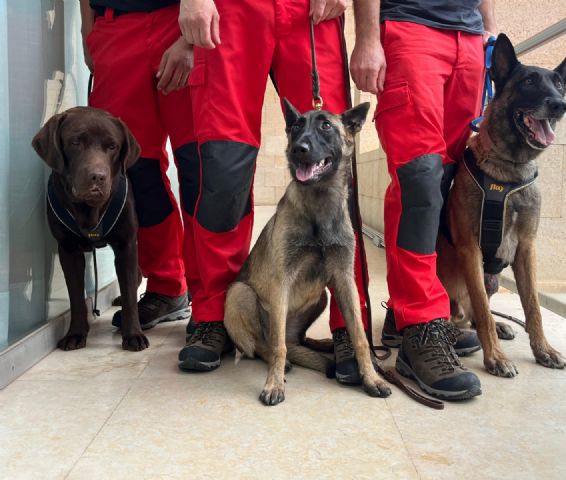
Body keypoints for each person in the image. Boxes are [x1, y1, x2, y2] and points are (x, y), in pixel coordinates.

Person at [176, 0, 371, 382]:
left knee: (333, 156)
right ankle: (215, 315)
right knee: (222, 165)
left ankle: (347, 329)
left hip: (311, 11)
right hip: (232, 10)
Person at [350, 0, 497, 400]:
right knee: (420, 180)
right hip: (410, 27)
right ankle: (421, 325)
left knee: (445, 180)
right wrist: (368, 37)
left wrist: (488, 29)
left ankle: (403, 313)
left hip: (469, 39)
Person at [80, 0, 198, 330]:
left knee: (200, 166)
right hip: (115, 28)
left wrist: (191, 36)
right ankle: (167, 285)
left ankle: (212, 297)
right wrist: (88, 30)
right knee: (133, 168)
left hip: (182, 19)